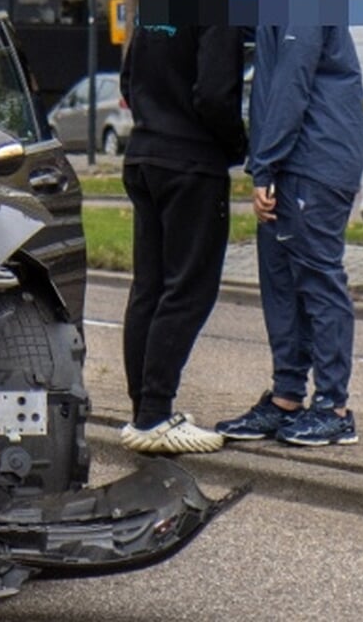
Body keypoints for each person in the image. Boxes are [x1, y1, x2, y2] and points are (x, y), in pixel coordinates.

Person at [215, 25, 363, 447]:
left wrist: (264, 165)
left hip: (313, 161)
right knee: (281, 283)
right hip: (293, 162)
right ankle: (286, 398)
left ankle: (334, 408)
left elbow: (291, 85)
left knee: (318, 280)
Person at [117, 23, 247, 455]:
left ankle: (144, 412)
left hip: (144, 154)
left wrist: (153, 118)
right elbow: (214, 94)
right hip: (192, 161)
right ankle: (155, 414)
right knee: (188, 289)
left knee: (149, 288)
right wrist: (236, 147)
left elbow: (129, 78)